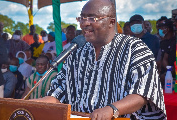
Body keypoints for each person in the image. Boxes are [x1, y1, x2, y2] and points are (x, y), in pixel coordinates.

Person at [36, 0, 166, 119]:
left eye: (92, 18)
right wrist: (30, 104)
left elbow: (143, 93)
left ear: (111, 22)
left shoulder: (135, 48)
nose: (85, 23)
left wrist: (112, 109)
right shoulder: (76, 53)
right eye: (82, 18)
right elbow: (56, 94)